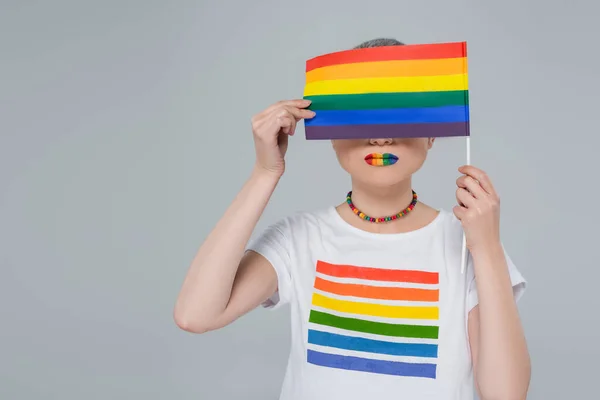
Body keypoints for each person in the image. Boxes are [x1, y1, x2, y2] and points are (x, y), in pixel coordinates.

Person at [174, 38, 531, 400]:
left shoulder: (468, 244)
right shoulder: (300, 239)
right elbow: (195, 314)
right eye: (360, 115)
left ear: (432, 133)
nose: (380, 137)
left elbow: (507, 394)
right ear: (331, 134)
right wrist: (265, 171)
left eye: (399, 113)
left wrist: (486, 248)